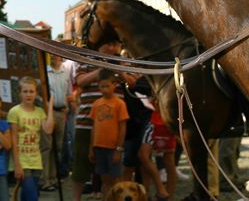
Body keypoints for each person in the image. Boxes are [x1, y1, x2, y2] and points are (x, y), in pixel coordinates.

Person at [71, 41, 122, 201]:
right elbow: (80, 81)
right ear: (100, 43)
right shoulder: (86, 59)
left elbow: (132, 81)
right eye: (109, 44)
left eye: (116, 45)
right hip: (86, 123)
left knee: (111, 171)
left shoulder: (122, 61)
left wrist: (119, 71)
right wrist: (102, 70)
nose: (113, 47)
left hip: (113, 127)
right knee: (81, 167)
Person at [8, 76, 54, 201]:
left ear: (36, 93)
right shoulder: (14, 112)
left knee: (29, 195)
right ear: (20, 93)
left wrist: (49, 108)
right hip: (22, 162)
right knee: (32, 196)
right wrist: (17, 165)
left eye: (31, 91)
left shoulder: (39, 112)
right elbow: (13, 139)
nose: (28, 94)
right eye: (25, 91)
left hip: (36, 162)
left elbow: (48, 129)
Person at [88, 69, 129, 200]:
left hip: (113, 149)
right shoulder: (96, 104)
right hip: (99, 147)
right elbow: (94, 127)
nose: (104, 89)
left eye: (107, 86)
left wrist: (119, 148)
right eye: (101, 86)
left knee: (116, 180)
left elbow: (123, 127)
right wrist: (91, 147)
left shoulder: (120, 104)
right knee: (104, 180)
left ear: (114, 85)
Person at [40, 53, 73, 192]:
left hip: (61, 112)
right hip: (49, 112)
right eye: (52, 55)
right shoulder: (45, 72)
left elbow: (68, 92)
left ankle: (53, 178)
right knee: (47, 146)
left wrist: (67, 107)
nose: (54, 58)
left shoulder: (66, 72)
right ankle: (44, 180)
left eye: (56, 55)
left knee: (57, 147)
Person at [138, 105, 174, 200]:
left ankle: (165, 193)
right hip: (158, 120)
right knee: (144, 157)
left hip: (164, 121)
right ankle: (161, 192)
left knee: (168, 159)